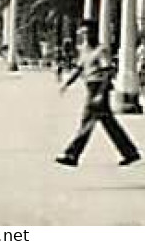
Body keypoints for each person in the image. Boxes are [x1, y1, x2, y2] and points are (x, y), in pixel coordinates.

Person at [56, 20, 140, 167]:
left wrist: (101, 93)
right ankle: (129, 152)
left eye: (88, 33)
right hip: (90, 87)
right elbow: (79, 69)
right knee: (109, 124)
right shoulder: (84, 50)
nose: (86, 36)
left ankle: (72, 154)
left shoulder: (101, 50)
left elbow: (108, 72)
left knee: (88, 122)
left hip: (99, 87)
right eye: (83, 34)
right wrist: (67, 83)